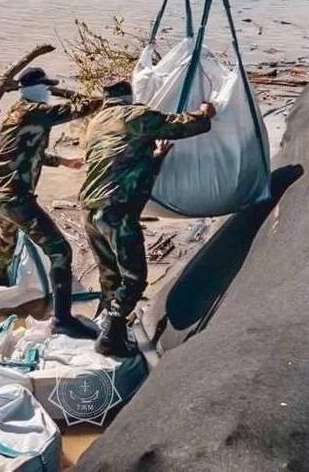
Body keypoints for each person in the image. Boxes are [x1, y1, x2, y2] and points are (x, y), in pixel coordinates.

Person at [78, 80, 216, 357]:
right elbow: (184, 126)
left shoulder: (94, 124)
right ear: (128, 97)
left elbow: (119, 161)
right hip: (115, 210)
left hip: (89, 211)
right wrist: (205, 114)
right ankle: (110, 338)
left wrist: (156, 158)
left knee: (110, 273)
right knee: (134, 279)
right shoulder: (134, 115)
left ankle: (108, 322)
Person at [0, 67, 102, 339]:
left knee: (8, 235)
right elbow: (78, 110)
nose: (48, 92)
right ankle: (62, 320)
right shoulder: (34, 111)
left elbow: (28, 149)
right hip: (16, 198)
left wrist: (62, 162)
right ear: (34, 88)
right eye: (46, 87)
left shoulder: (16, 113)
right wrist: (106, 100)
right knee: (61, 252)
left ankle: (2, 283)